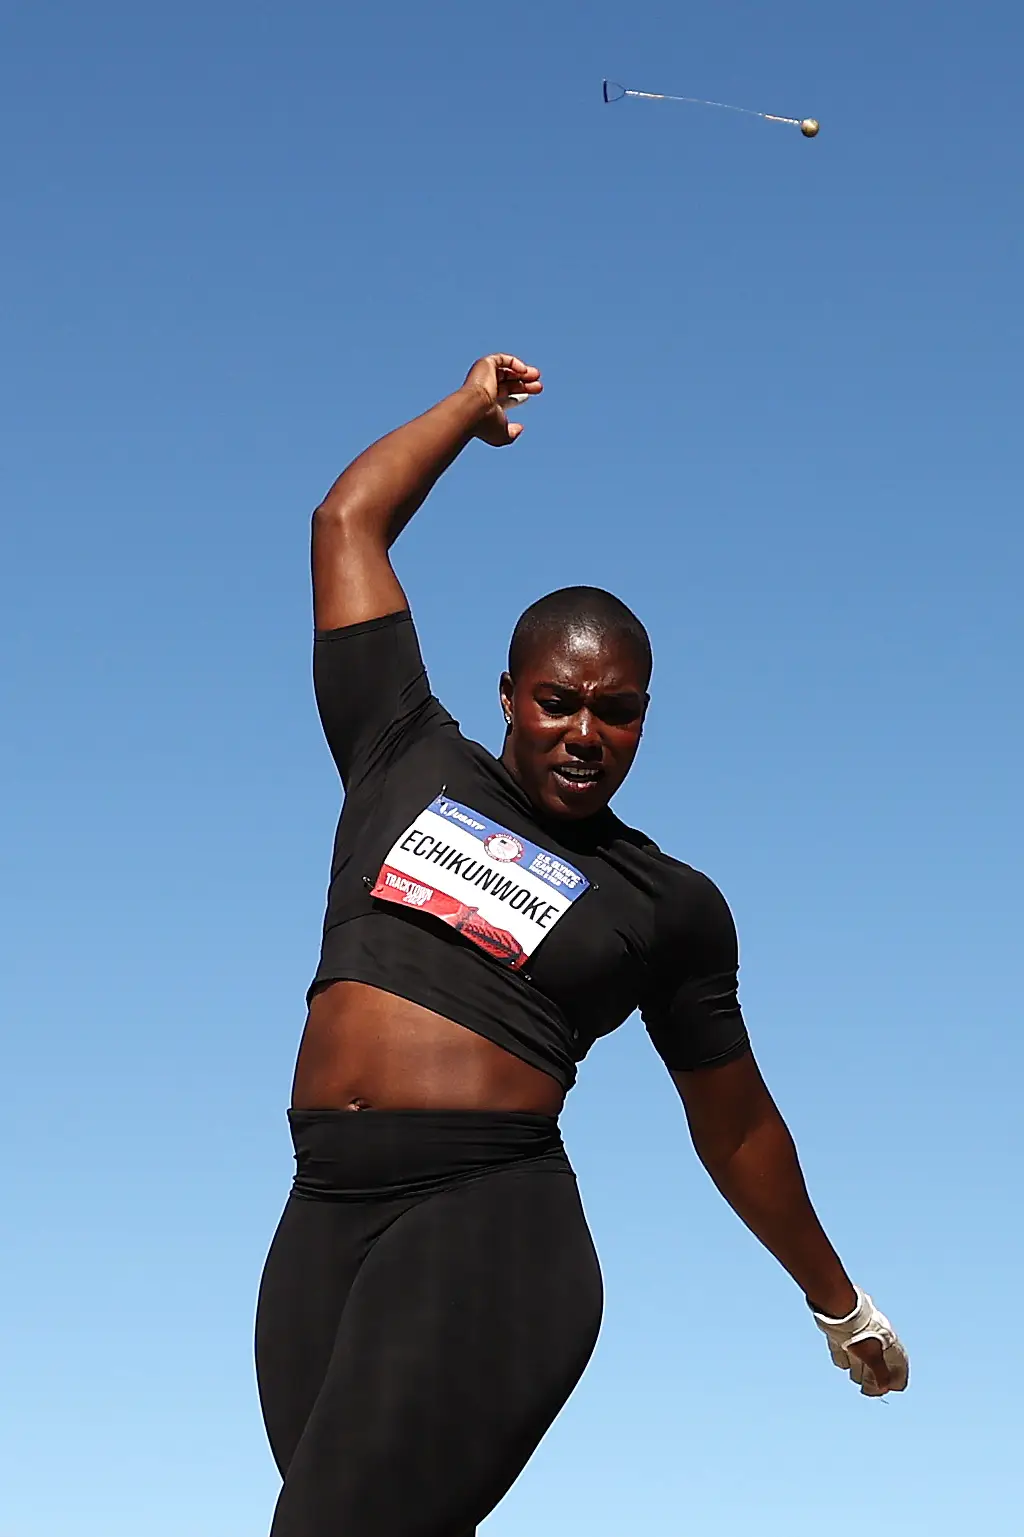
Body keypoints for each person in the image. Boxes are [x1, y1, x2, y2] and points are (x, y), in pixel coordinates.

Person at [255, 354, 908, 1537]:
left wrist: (836, 1300)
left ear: (645, 718)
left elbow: (737, 1123)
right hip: (322, 1212)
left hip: (487, 1221)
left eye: (617, 711)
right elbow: (346, 519)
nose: (584, 732)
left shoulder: (666, 903)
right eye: (560, 700)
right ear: (507, 693)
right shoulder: (403, 752)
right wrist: (463, 413)